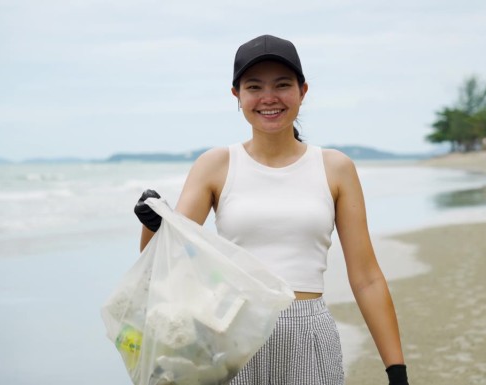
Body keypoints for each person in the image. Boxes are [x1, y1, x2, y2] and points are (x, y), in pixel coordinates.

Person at [135, 34, 410, 385]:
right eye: (254, 87)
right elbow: (163, 263)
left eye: (282, 85)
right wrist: (152, 223)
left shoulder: (335, 167)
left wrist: (396, 371)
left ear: (302, 91)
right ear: (237, 95)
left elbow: (367, 277)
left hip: (308, 334)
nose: (269, 98)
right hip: (230, 334)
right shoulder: (216, 164)